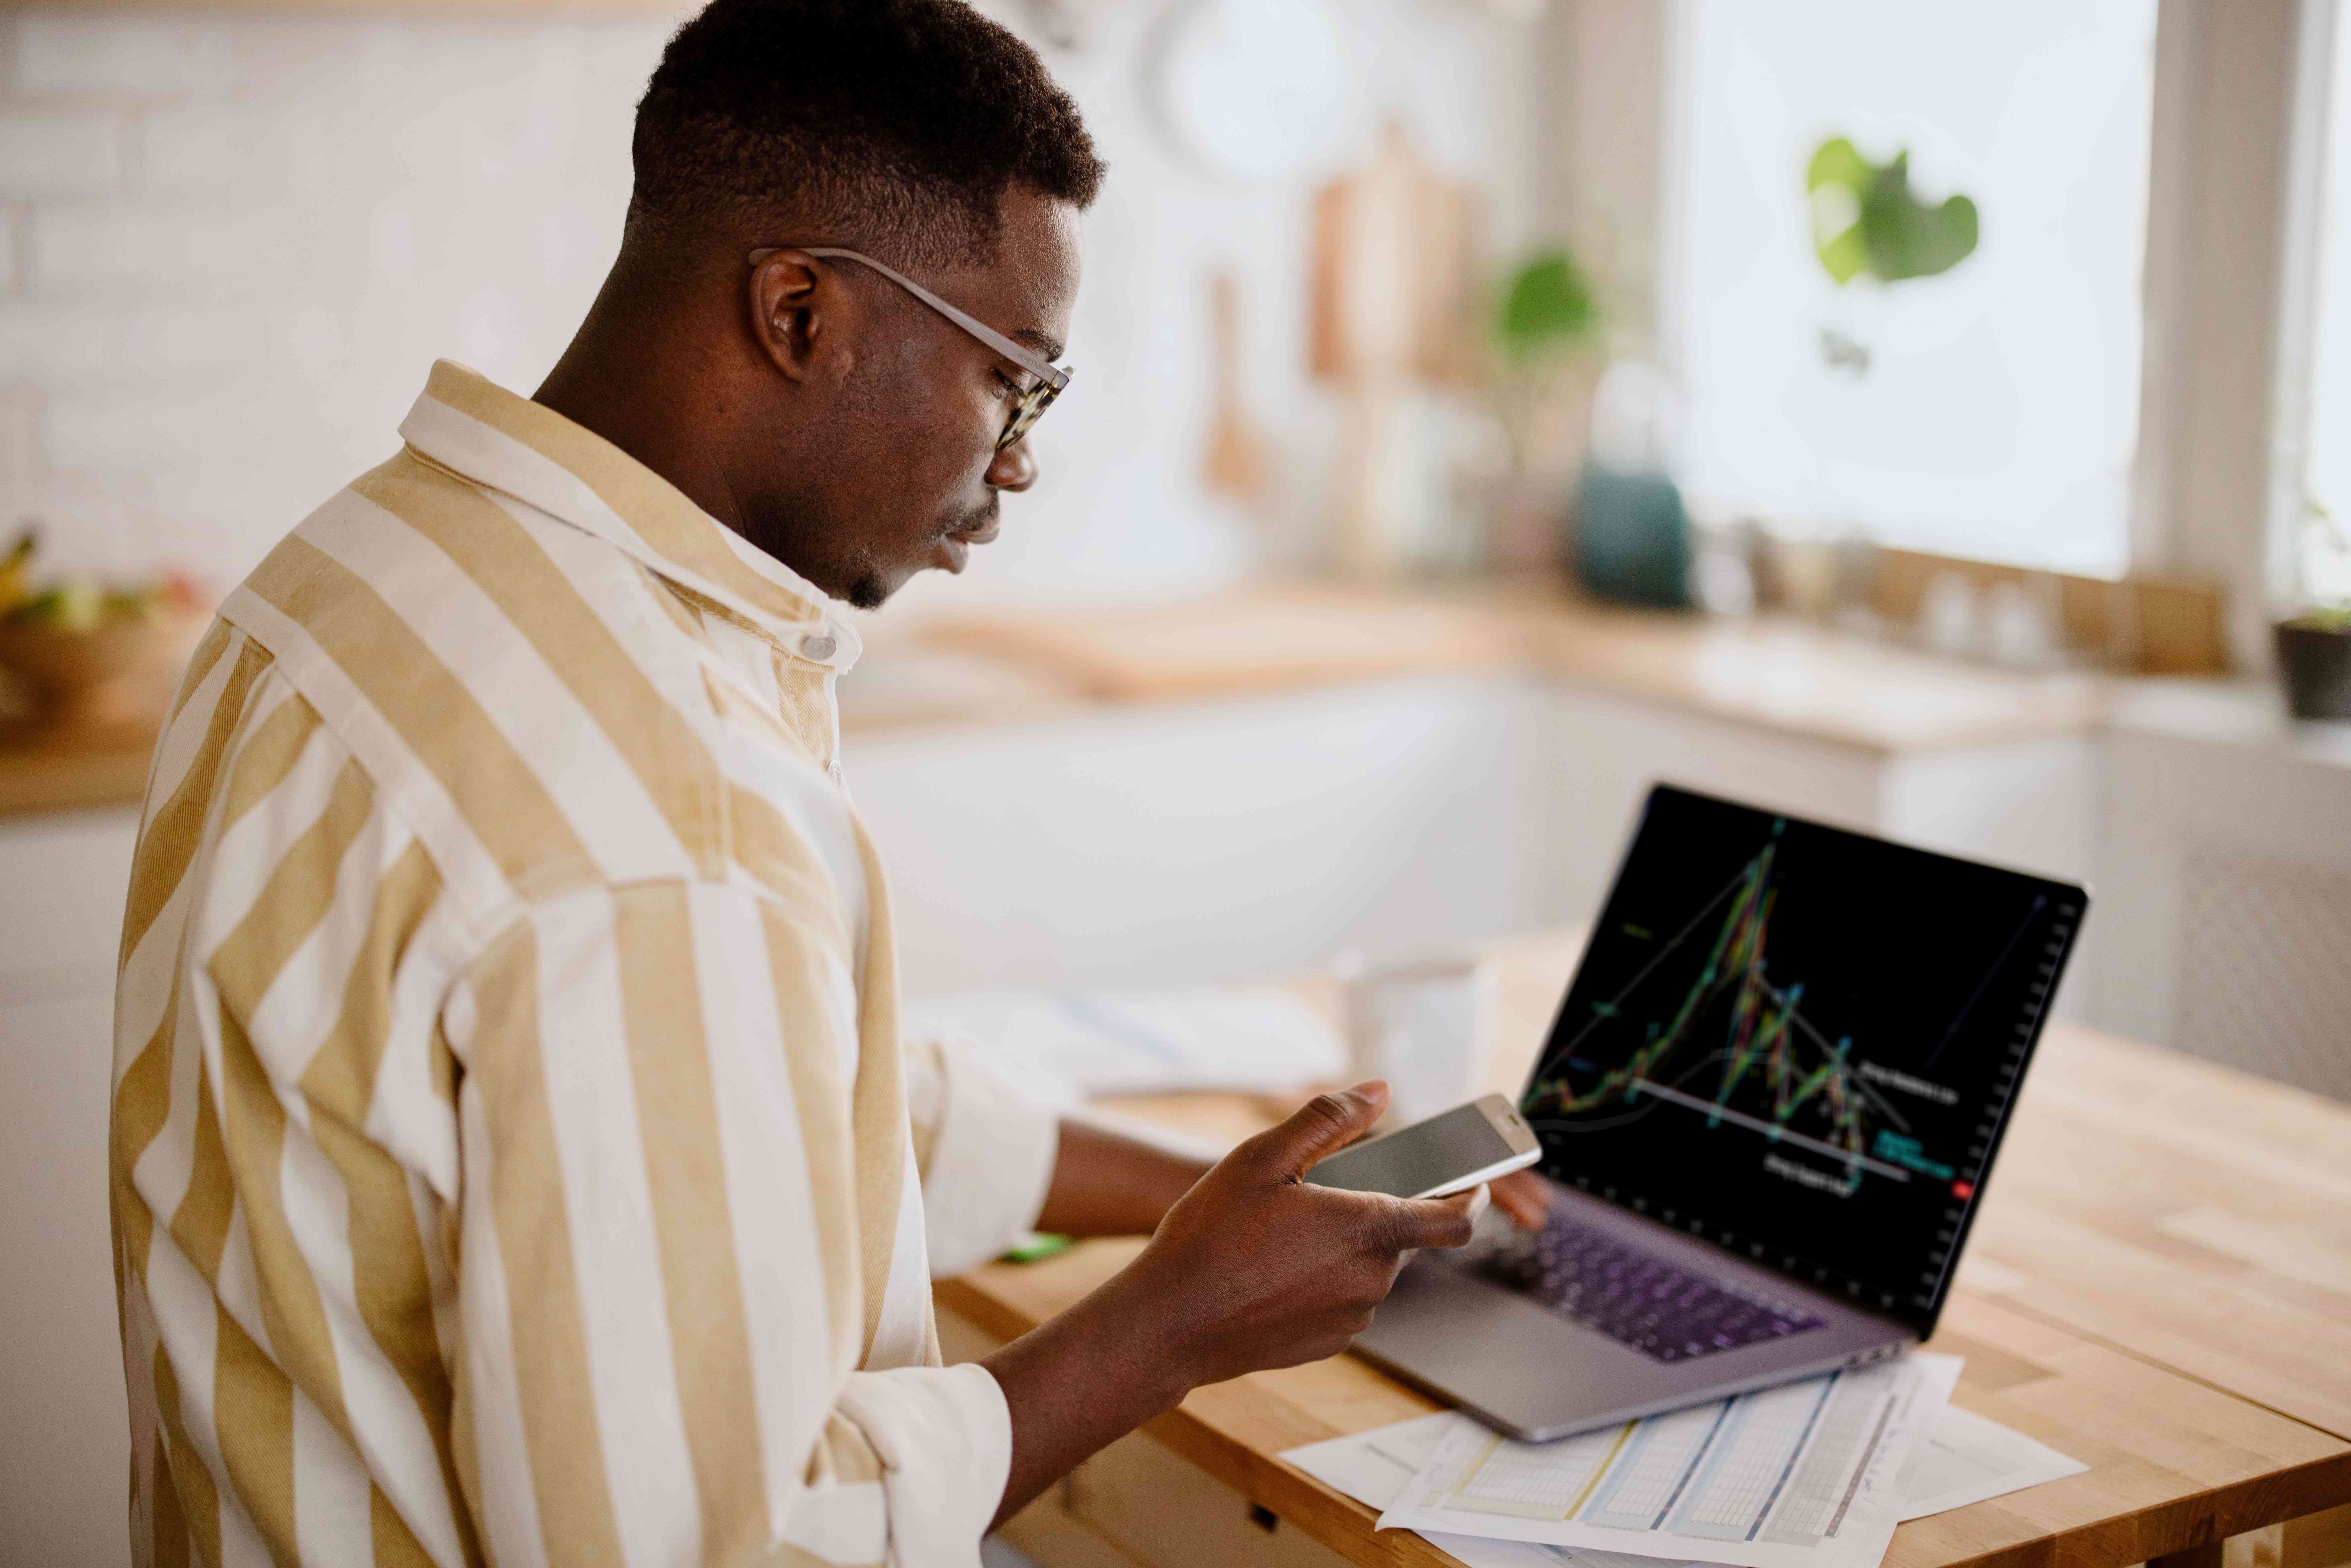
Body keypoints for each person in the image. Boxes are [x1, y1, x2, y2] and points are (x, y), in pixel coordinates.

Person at [107, 1, 1547, 1564]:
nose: (1021, 466)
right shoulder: (667, 820)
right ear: (801, 311)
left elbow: (745, 1104)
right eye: (1018, 383)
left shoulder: (351, 580)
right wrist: (1175, 1323)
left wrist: (1203, 1190)